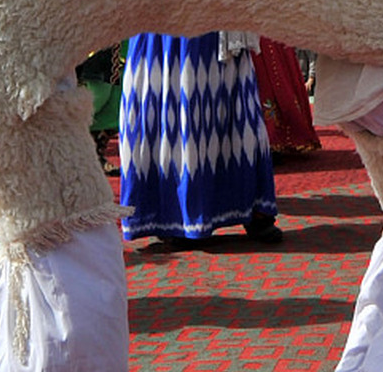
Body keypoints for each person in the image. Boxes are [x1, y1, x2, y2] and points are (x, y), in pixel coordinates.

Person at [118, 30, 282, 245]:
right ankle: (176, 214)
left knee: (232, 106)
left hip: (213, 21)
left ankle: (251, 207)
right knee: (176, 100)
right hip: (163, 21)